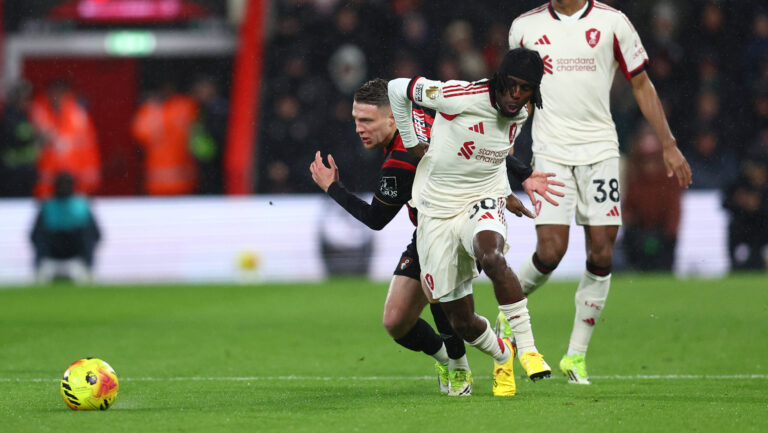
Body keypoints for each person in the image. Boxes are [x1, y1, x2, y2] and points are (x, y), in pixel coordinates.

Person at [310, 77, 562, 396]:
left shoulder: (400, 162)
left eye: (366, 121)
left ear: (391, 118)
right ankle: (454, 357)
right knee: (396, 321)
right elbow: (477, 144)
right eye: (356, 120)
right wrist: (516, 177)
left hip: (460, 219)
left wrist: (332, 187)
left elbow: (375, 219)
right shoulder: (425, 117)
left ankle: (462, 369)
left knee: (437, 292)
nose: (359, 128)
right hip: (429, 227)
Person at [509, 0, 693, 384]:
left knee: (602, 248)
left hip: (600, 151)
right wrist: (505, 151)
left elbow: (641, 83)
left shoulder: (613, 23)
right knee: (551, 250)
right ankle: (509, 309)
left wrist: (668, 142)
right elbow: (514, 96)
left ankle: (575, 356)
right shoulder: (524, 27)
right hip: (549, 151)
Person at [388, 47, 561, 397]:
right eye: (510, 86)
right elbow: (396, 88)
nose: (515, 96)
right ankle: (503, 353)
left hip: (481, 202)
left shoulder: (522, 113)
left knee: (492, 256)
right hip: (436, 212)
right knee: (461, 323)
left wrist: (504, 191)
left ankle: (528, 348)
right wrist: (411, 141)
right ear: (499, 80)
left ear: (534, 91)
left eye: (525, 88)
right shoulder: (457, 96)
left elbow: (495, 156)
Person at [29, 80, 101, 198]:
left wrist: (90, 172)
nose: (56, 96)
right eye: (53, 92)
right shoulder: (37, 111)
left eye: (60, 92)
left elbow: (88, 145)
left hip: (74, 179)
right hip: (46, 180)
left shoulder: (78, 115)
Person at [30, 172, 101, 284]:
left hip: (77, 259)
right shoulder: (48, 206)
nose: (63, 188)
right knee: (41, 234)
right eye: (61, 184)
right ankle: (41, 267)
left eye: (66, 184)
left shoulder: (82, 206)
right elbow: (35, 236)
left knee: (88, 233)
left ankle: (86, 267)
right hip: (50, 259)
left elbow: (95, 235)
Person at [131, 83, 198, 196]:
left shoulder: (152, 111)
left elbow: (140, 135)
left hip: (175, 178)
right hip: (167, 179)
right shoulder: (185, 107)